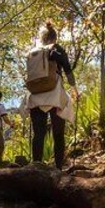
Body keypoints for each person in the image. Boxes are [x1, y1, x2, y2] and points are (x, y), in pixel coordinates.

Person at [27, 21, 77, 169]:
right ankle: (58, 168)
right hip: (54, 94)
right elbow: (67, 69)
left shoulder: (32, 51)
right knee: (58, 133)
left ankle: (36, 166)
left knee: (38, 134)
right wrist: (75, 89)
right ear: (55, 38)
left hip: (35, 95)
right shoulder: (57, 49)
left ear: (42, 38)